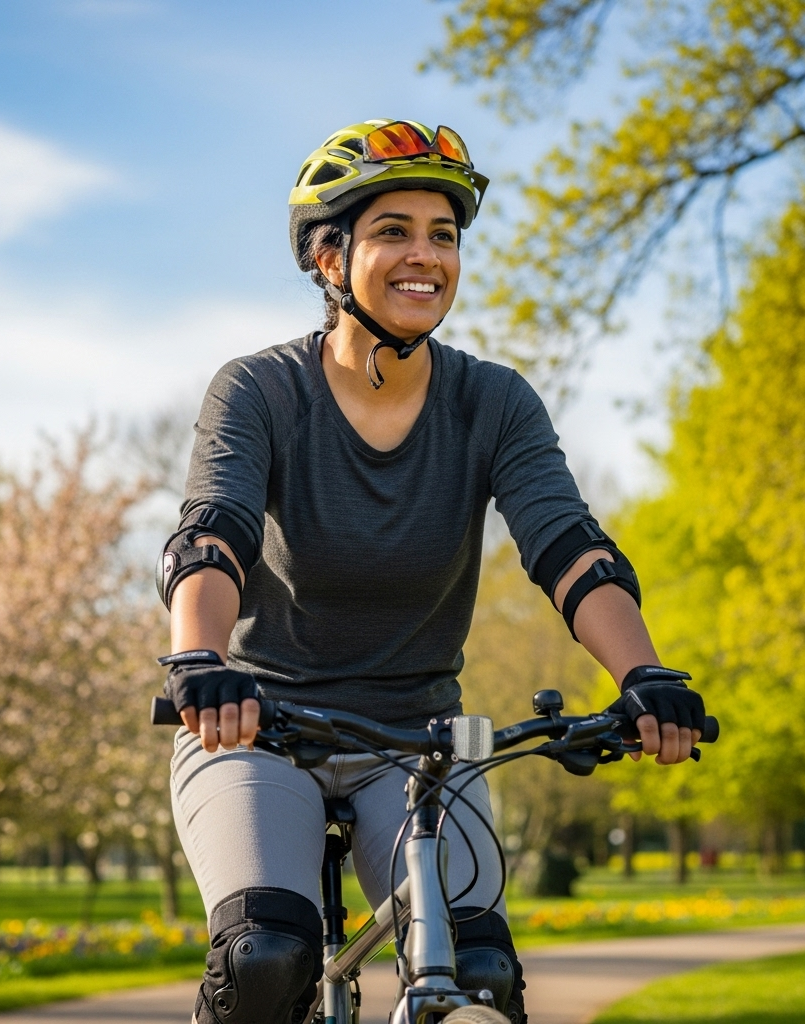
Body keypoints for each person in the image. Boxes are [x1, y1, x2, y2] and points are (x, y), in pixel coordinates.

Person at [157, 119, 707, 1024]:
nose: (427, 255)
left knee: (478, 973)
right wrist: (200, 662)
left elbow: (568, 545)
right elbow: (211, 533)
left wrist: (643, 675)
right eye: (394, 231)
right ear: (329, 261)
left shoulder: (492, 401)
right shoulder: (257, 391)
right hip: (256, 725)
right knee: (266, 956)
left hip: (418, 746)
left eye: (443, 235)